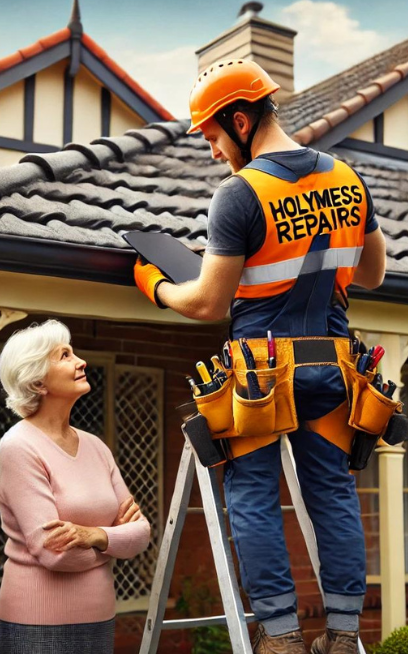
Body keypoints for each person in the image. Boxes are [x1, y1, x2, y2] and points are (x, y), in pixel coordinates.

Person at [134, 60, 387, 654]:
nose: (214, 149)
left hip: (260, 378)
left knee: (251, 496)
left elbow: (206, 302)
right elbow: (372, 274)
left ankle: (279, 639)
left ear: (240, 120)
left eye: (214, 136)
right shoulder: (350, 180)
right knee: (333, 493)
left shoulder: (240, 194)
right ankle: (344, 631)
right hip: (333, 368)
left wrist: (154, 281)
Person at [0, 319, 151, 654]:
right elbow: (54, 552)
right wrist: (113, 541)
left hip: (99, 617)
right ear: (37, 381)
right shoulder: (19, 447)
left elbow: (142, 533)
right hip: (36, 626)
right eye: (65, 356)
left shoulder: (96, 446)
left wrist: (94, 535)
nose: (81, 361)